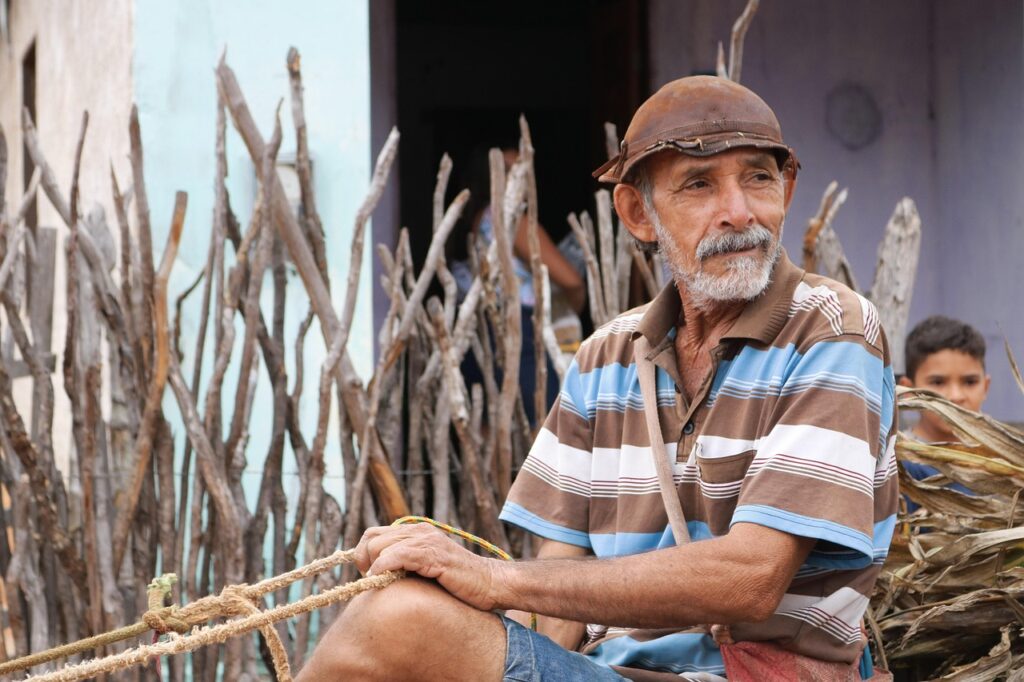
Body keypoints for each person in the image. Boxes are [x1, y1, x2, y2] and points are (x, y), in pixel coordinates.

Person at [299, 76, 898, 681]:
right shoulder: (605, 357)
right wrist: (460, 609)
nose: (738, 213)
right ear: (638, 213)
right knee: (401, 614)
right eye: (699, 184)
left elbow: (752, 578)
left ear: (786, 190)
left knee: (398, 619)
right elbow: (554, 615)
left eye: (758, 178)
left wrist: (489, 578)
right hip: (606, 672)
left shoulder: (831, 330)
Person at [450, 145, 586, 426]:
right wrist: (570, 308)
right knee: (543, 430)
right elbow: (571, 280)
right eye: (510, 171)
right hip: (520, 333)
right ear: (491, 177)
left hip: (483, 333)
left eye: (523, 171)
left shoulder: (477, 220)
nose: (520, 179)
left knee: (492, 428)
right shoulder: (513, 221)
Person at [898, 315, 990, 491]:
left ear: (985, 387)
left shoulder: (1006, 461)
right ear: (909, 391)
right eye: (938, 382)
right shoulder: (902, 466)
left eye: (970, 382)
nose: (955, 396)